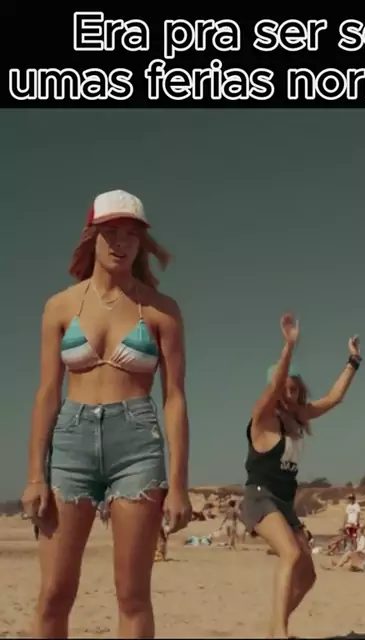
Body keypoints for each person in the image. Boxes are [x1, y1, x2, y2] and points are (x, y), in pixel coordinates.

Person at [21, 189, 192, 639]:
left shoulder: (162, 310)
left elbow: (175, 398)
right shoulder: (60, 306)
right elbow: (47, 393)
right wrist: (35, 475)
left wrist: (178, 484)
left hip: (136, 444)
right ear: (91, 237)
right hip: (71, 442)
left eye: (131, 235)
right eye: (111, 232)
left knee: (132, 595)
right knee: (54, 593)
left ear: (141, 244)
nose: (121, 243)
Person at [239, 313, 362, 638]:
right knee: (291, 554)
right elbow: (275, 385)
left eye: (295, 388)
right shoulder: (263, 418)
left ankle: (273, 628)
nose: (291, 394)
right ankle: (280, 632)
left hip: (284, 504)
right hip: (259, 498)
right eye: (285, 388)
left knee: (307, 576)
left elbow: (334, 398)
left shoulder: (299, 418)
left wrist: (353, 362)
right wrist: (289, 346)